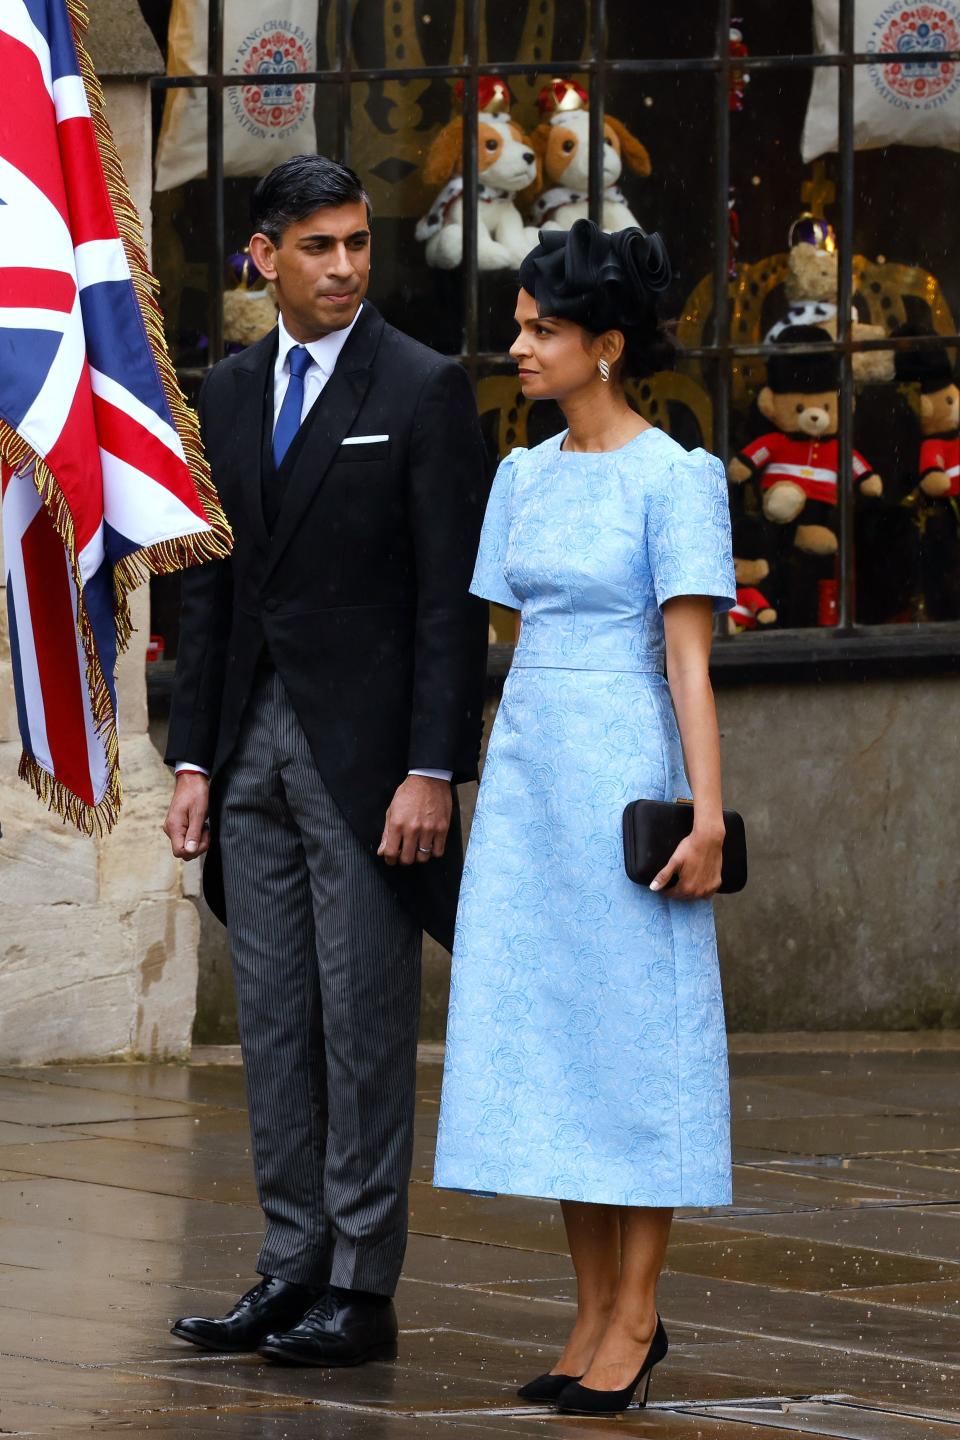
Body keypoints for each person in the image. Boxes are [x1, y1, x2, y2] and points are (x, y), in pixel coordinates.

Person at [162, 155, 489, 1367]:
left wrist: (430, 769)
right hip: (245, 754)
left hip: (367, 771)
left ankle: (363, 1284)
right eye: (319, 247)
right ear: (265, 257)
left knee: (363, 1025)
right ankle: (289, 1267)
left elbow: (451, 604)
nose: (346, 266)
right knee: (276, 1030)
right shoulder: (231, 391)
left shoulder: (424, 385)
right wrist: (191, 759)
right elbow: (213, 596)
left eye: (358, 243)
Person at [433, 220, 736, 1416]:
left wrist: (706, 819)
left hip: (627, 780)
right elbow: (505, 639)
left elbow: (689, 665)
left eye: (541, 329)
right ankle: (587, 1311)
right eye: (518, 325)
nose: (518, 346)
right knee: (557, 1041)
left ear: (606, 347)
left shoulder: (678, 476)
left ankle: (640, 1314)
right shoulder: (521, 474)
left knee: (632, 1044)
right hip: (532, 781)